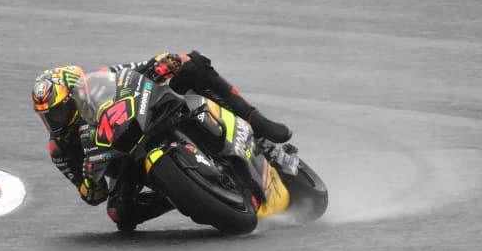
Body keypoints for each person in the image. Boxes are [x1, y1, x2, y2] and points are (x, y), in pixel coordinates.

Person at [31, 51, 292, 232]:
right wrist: (90, 179)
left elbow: (143, 67)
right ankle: (179, 194)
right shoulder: (61, 149)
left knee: (193, 65)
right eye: (48, 116)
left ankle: (257, 124)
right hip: (125, 162)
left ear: (75, 96)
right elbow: (92, 196)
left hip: (155, 116)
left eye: (59, 111)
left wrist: (164, 63)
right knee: (120, 214)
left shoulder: (100, 80)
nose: (55, 120)